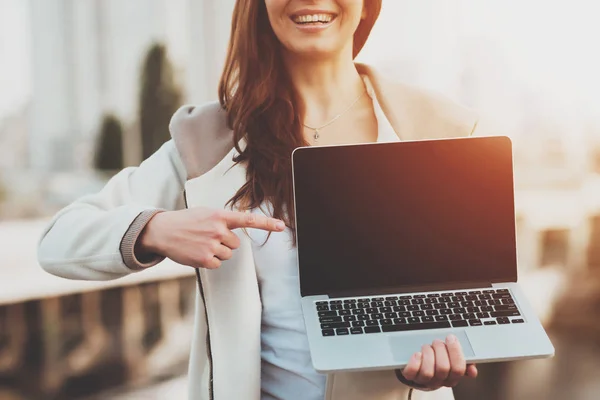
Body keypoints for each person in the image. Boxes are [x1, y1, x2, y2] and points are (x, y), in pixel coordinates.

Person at [37, 0, 482, 399]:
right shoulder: (207, 140)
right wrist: (156, 229)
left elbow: (463, 295)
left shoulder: (431, 130)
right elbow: (58, 239)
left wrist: (436, 362)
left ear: (368, 6)